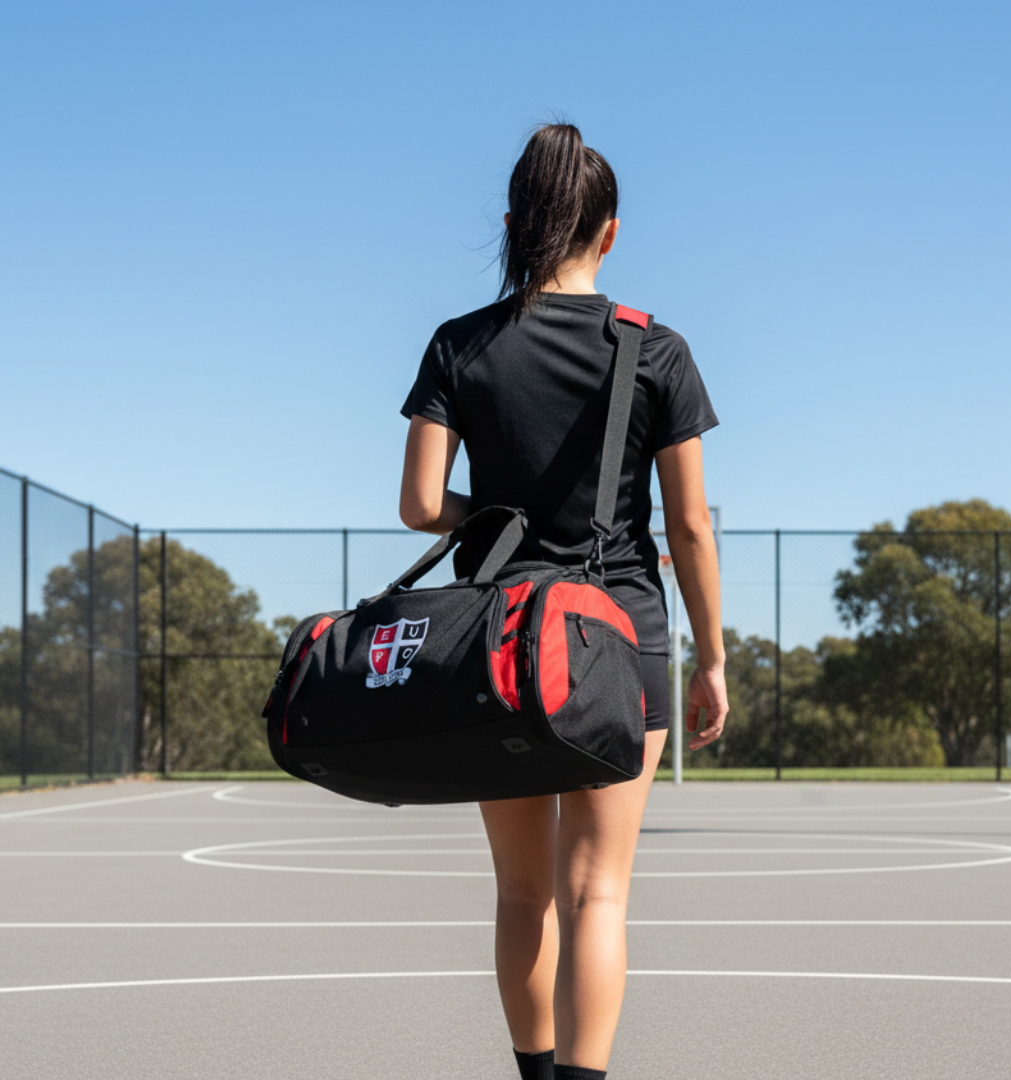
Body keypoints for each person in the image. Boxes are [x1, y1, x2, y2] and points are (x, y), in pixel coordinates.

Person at [399, 123, 728, 1080]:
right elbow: (693, 527)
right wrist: (710, 657)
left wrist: (501, 517)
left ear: (511, 224)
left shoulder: (459, 345)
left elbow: (421, 504)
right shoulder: (654, 349)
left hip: (500, 647)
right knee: (599, 895)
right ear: (610, 234)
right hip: (619, 642)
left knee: (522, 893)